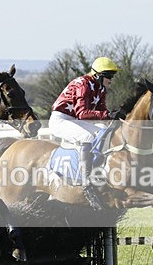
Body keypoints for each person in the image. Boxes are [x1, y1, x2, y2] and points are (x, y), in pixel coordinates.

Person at [50, 56, 125, 187]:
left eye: (113, 75)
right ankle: (85, 179)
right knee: (87, 136)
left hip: (74, 120)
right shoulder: (83, 84)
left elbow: (102, 113)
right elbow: (82, 113)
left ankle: (99, 166)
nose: (111, 79)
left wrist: (116, 115)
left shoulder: (101, 88)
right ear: (97, 75)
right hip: (60, 120)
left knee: (103, 129)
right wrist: (108, 114)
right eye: (109, 75)